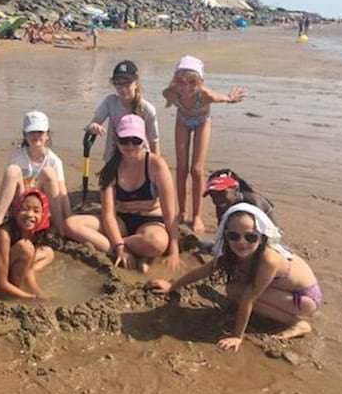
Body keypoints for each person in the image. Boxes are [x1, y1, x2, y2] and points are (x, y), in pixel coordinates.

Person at [149, 203, 322, 349]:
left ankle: (296, 323)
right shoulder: (233, 252)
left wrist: (237, 336)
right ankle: (276, 311)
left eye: (250, 237)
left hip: (304, 298)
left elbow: (249, 298)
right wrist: (173, 286)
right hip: (282, 289)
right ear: (225, 236)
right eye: (233, 236)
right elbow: (206, 270)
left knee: (241, 294)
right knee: (233, 291)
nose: (241, 242)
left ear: (261, 238)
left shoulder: (269, 260)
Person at [64, 114, 180, 273]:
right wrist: (119, 246)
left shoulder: (156, 165)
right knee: (71, 224)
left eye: (135, 140)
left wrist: (174, 251)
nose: (130, 146)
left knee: (157, 243)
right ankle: (126, 253)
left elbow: (170, 212)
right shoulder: (110, 170)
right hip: (121, 221)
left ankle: (114, 247)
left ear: (144, 140)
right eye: (124, 140)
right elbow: (108, 214)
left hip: (150, 221)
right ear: (116, 140)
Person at [162, 55, 245, 234]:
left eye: (192, 82)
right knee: (182, 168)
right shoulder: (173, 91)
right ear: (176, 80)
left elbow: (223, 98)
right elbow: (166, 96)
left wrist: (231, 98)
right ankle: (182, 211)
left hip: (202, 122)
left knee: (197, 169)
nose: (186, 87)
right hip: (182, 121)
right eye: (181, 81)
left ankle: (197, 215)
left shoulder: (205, 95)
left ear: (200, 81)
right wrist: (171, 101)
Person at [0, 111, 70, 240]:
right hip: (21, 205)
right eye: (31, 132)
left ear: (47, 135)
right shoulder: (17, 156)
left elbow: (62, 193)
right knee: (12, 170)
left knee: (49, 172)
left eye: (40, 132)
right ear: (25, 135)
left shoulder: (54, 161)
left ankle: (59, 226)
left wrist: (69, 218)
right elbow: (8, 186)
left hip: (40, 208)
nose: (36, 136)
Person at [0, 189, 54, 299]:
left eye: (36, 211)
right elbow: (0, 283)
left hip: (1, 272)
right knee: (25, 248)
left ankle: (14, 291)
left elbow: (28, 271)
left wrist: (38, 293)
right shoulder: (3, 234)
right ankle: (11, 294)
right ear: (15, 211)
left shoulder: (33, 233)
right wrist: (30, 298)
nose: (30, 214)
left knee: (44, 251)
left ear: (43, 215)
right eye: (25, 209)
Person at [88, 60, 160, 162]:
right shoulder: (110, 102)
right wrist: (93, 127)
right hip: (113, 158)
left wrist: (156, 168)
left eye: (127, 84)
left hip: (140, 161)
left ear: (136, 83)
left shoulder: (147, 109)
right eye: (118, 84)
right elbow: (93, 124)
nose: (123, 89)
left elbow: (154, 142)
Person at [204, 169, 277, 226]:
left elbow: (263, 236)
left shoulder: (253, 203)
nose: (216, 199)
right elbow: (221, 229)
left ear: (236, 189)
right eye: (212, 195)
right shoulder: (222, 204)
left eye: (222, 193)